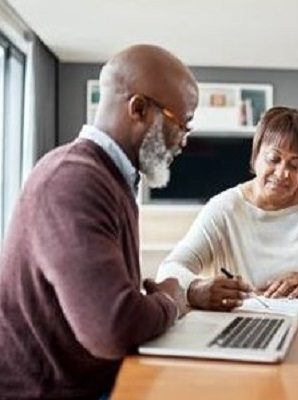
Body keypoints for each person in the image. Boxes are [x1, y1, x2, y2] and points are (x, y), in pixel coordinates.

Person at [0, 44, 198, 399]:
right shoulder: (74, 181)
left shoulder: (108, 176)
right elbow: (111, 327)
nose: (183, 140)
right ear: (138, 108)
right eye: (180, 123)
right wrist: (170, 302)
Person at [157, 106, 298, 311]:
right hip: (249, 326)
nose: (282, 173)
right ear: (256, 157)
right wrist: (196, 288)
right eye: (274, 159)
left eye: (295, 165)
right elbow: (169, 270)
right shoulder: (224, 208)